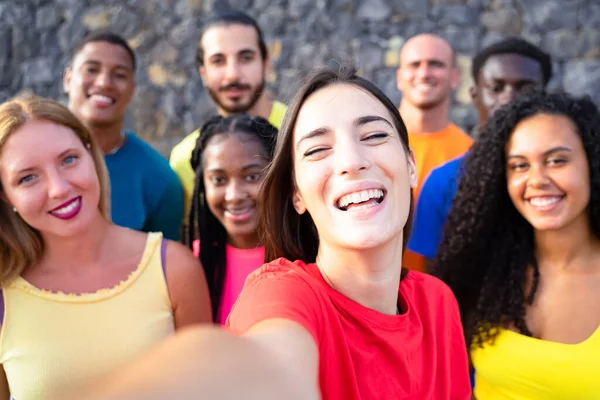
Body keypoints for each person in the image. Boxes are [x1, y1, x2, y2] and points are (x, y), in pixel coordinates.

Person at [70, 65, 471, 400]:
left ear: (411, 164)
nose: (351, 160)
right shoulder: (282, 292)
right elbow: (269, 359)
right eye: (317, 150)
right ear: (296, 193)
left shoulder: (439, 305)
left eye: (374, 135)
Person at [0, 95, 211, 400]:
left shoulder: (174, 269)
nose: (59, 188)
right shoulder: (4, 297)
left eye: (68, 159)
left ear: (91, 154)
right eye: (28, 177)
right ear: (6, 197)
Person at [435, 90, 600, 399]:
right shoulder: (487, 269)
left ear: (592, 163)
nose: (537, 179)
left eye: (556, 160)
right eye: (520, 165)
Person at [408, 37, 552, 269]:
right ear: (475, 96)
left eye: (525, 88)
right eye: (496, 88)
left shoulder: (570, 178)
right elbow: (435, 285)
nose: (509, 99)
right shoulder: (443, 183)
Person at [63, 31, 184, 240]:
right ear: (68, 79)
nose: (104, 83)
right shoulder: (28, 161)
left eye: (119, 75)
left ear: (132, 90)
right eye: (91, 69)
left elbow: (164, 265)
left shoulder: (159, 179)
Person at [169, 10, 287, 212]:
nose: (232, 75)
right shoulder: (186, 159)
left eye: (246, 58)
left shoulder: (303, 131)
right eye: (218, 61)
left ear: (265, 64)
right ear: (203, 72)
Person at [188, 115, 278, 323]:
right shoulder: (192, 264)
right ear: (202, 184)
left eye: (252, 176)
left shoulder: (310, 256)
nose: (234, 195)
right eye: (219, 180)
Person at [396, 33, 473, 272]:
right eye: (414, 65)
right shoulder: (369, 144)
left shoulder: (471, 154)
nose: (424, 73)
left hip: (441, 300)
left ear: (455, 77)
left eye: (436, 64)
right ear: (399, 77)